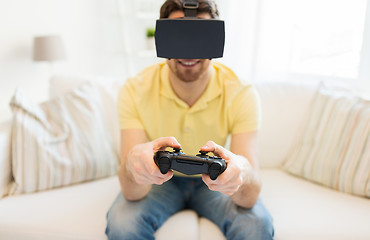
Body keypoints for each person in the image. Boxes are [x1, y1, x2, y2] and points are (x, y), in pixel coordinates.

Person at [105, 0, 274, 239]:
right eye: (179, 35)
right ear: (162, 38)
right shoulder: (134, 89)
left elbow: (250, 197)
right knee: (123, 223)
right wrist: (133, 166)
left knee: (256, 224)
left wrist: (242, 172)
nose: (189, 51)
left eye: (199, 36)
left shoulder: (241, 93)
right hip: (161, 181)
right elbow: (132, 193)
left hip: (213, 182)